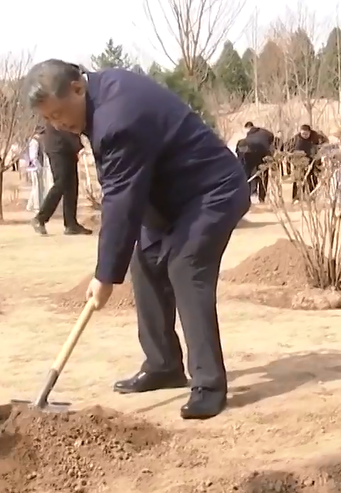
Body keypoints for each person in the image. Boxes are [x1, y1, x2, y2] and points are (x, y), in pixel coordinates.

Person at [22, 60, 250, 420]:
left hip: (212, 191)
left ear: (77, 88)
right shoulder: (99, 98)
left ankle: (208, 385)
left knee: (185, 266)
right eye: (49, 119)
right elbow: (125, 193)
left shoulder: (117, 117)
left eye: (59, 113)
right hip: (170, 198)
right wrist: (113, 266)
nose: (58, 124)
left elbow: (120, 200)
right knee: (144, 263)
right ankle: (163, 365)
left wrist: (104, 276)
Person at [33, 123, 91, 236]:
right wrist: (78, 146)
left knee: (72, 186)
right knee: (61, 183)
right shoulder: (61, 113)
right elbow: (64, 126)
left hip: (67, 148)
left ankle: (71, 224)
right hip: (58, 147)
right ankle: (40, 218)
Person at [285, 124, 327, 201]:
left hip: (313, 162)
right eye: (303, 134)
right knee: (298, 180)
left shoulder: (316, 137)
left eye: (306, 134)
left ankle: (312, 197)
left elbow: (325, 142)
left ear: (310, 132)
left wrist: (319, 150)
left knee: (312, 180)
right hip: (300, 162)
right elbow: (287, 148)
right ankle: (296, 198)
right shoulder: (296, 138)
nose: (304, 135)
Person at [240, 121, 275, 202]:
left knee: (251, 175)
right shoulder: (265, 132)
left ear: (247, 128)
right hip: (265, 155)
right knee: (263, 175)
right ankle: (262, 197)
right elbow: (271, 137)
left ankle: (253, 194)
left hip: (251, 156)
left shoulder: (248, 136)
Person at [24, 126, 48, 213]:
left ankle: (30, 206)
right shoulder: (34, 142)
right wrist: (39, 167)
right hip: (35, 168)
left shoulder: (36, 141)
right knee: (37, 187)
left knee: (36, 186)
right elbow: (33, 157)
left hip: (36, 167)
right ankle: (36, 207)